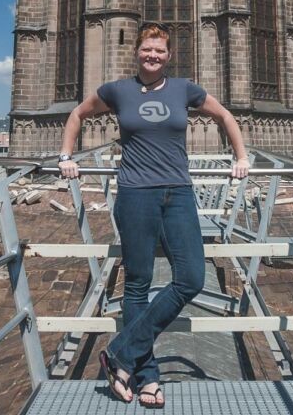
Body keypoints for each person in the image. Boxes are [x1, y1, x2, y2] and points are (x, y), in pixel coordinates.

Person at [58, 22, 250, 409]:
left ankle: (120, 354)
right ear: (137, 52)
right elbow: (77, 114)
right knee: (137, 286)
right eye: (147, 49)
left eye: (159, 51)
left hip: (177, 193)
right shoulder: (117, 90)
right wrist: (66, 157)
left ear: (168, 55)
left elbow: (225, 116)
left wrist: (241, 157)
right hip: (134, 195)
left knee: (191, 277)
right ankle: (148, 378)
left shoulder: (184, 88)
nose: (153, 56)